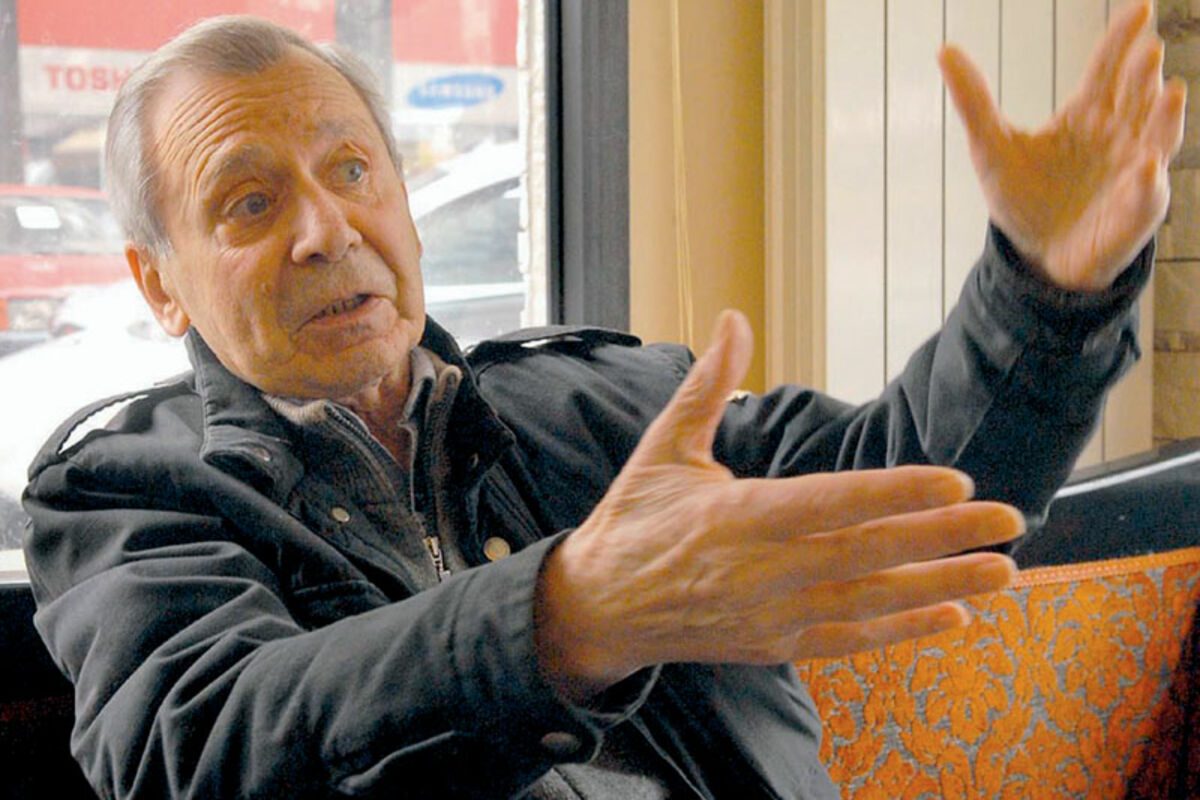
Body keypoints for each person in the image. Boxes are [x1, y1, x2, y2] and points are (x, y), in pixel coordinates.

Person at [21, 4, 1183, 798]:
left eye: (352, 168)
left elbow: (916, 497)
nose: (326, 229)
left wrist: (1045, 292)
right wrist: (573, 615)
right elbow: (201, 751)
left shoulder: (610, 405)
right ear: (158, 282)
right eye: (248, 202)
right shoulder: (128, 493)